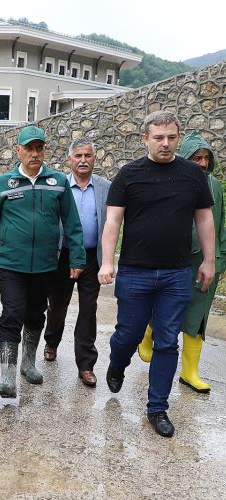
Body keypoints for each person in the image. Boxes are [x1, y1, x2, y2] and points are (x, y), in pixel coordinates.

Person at [98, 111, 215, 438]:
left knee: (166, 342)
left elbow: (204, 219)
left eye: (171, 137)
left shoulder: (193, 175)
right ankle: (118, 362)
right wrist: (108, 262)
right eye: (158, 137)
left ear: (179, 137)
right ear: (145, 139)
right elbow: (113, 223)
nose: (165, 143)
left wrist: (208, 260)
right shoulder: (129, 174)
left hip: (176, 275)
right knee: (129, 335)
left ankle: (157, 409)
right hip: (135, 272)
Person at [0, 125, 86, 398]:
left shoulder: (58, 182)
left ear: (44, 150)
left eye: (39, 148)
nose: (34, 154)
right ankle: (7, 378)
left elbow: (72, 223)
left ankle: (28, 363)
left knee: (36, 314)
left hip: (46, 265)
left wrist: (78, 257)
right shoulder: (4, 183)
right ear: (19, 151)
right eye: (29, 148)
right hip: (12, 263)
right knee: (12, 314)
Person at [138, 131, 225, 393]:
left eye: (205, 158)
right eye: (195, 157)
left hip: (205, 262)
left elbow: (220, 226)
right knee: (168, 307)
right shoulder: (173, 181)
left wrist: (218, 260)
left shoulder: (216, 187)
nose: (201, 163)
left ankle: (190, 372)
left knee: (198, 315)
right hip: (174, 259)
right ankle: (148, 334)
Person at [43, 139, 110, 387]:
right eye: (78, 156)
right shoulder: (59, 185)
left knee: (88, 309)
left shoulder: (105, 188)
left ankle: (86, 365)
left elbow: (112, 223)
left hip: (92, 257)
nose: (83, 160)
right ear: (69, 160)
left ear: (95, 158)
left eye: (88, 156)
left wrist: (108, 260)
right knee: (57, 305)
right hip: (63, 256)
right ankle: (51, 341)